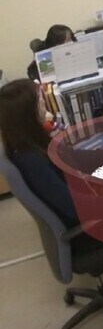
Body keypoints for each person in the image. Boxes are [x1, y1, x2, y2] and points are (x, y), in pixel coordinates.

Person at [0, 79, 79, 227]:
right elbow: (75, 207)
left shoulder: (33, 143)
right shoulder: (31, 161)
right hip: (87, 225)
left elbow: (76, 157)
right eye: (41, 103)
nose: (45, 109)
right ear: (29, 115)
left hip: (84, 204)